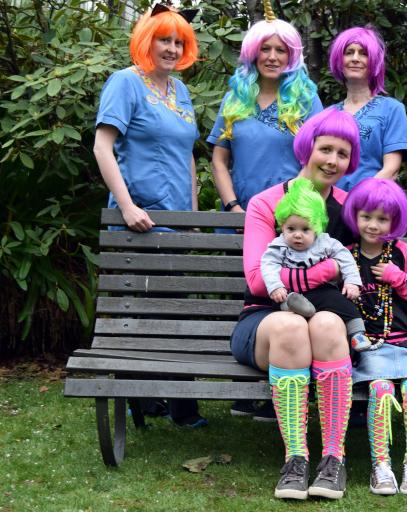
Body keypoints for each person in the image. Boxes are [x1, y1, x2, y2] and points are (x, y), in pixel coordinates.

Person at [232, 107, 360, 500]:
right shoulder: (266, 203)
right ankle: (296, 459)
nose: (333, 160)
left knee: (325, 324)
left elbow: (360, 270)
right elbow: (257, 279)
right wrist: (322, 275)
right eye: (326, 149)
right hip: (264, 321)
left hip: (327, 324)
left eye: (343, 153)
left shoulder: (349, 208)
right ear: (307, 149)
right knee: (291, 325)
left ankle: (334, 459)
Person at [92, 4, 207, 427]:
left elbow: (188, 156)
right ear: (146, 40)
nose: (173, 48)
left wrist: (193, 215)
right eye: (165, 39)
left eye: (179, 41)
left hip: (177, 219)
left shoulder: (181, 91)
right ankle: (138, 396)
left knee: (177, 309)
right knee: (137, 313)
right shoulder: (126, 82)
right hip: (138, 218)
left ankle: (178, 403)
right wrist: (125, 206)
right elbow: (103, 147)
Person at [341, 178, 407, 495]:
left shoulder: (401, 253)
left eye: (382, 219)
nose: (373, 225)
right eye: (366, 216)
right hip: (371, 348)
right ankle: (380, 466)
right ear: (355, 215)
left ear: (395, 221)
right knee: (381, 392)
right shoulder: (346, 256)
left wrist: (398, 278)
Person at [207, 3, 323, 214]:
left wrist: (287, 208)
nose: (272, 57)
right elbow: (219, 160)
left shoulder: (307, 101)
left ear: (291, 57)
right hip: (239, 217)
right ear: (253, 52)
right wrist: (234, 207)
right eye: (265, 48)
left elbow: (318, 160)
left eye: (280, 50)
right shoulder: (234, 99)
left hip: (291, 218)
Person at [260, 177, 371, 352]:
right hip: (291, 293)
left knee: (342, 302)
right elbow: (268, 264)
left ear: (317, 227)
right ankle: (295, 306)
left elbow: (345, 258)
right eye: (291, 229)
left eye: (305, 230)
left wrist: (352, 281)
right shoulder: (278, 245)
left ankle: (357, 333)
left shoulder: (325, 242)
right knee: (283, 302)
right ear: (282, 226)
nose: (297, 235)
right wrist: (275, 287)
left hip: (321, 290)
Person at [328, 26, 407, 191]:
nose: (355, 58)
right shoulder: (328, 114)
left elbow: (392, 169)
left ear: (374, 61)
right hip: (330, 207)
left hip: (371, 206)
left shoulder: (392, 109)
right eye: (348, 52)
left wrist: (359, 198)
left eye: (363, 53)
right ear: (339, 60)